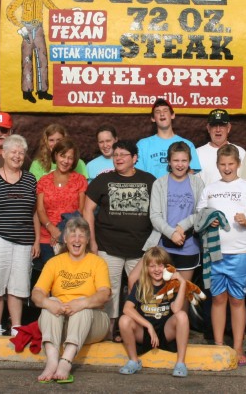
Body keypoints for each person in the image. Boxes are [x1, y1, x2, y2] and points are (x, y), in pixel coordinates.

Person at [197, 144, 246, 367]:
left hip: (240, 252)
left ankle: (237, 346)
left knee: (237, 300)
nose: (227, 168)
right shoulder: (209, 189)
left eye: (231, 164)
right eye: (223, 164)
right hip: (215, 252)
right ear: (217, 165)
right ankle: (218, 344)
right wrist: (209, 221)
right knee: (218, 299)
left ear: (238, 164)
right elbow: (199, 218)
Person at [83, 140, 156, 341]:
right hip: (108, 247)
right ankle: (107, 331)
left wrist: (152, 246)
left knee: (140, 290)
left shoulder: (149, 180)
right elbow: (87, 210)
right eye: (116, 155)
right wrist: (93, 242)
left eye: (124, 155)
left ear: (134, 159)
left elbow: (158, 213)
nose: (119, 158)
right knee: (109, 291)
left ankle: (134, 332)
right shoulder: (102, 180)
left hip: (140, 249)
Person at [31, 218, 111, 383]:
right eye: (72, 235)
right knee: (50, 302)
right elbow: (37, 293)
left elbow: (104, 294)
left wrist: (82, 303)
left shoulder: (97, 262)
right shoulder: (54, 262)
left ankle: (66, 361)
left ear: (87, 240)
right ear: (65, 239)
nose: (77, 240)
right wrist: (49, 303)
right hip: (62, 323)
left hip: (93, 322)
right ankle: (52, 361)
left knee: (83, 306)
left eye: (81, 236)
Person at [0, 135, 39, 337]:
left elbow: (35, 212)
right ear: (4, 154)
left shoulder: (30, 179)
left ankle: (16, 327)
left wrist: (37, 240)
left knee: (18, 286)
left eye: (21, 153)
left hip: (24, 240)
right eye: (13, 152)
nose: (17, 156)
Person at [118, 247, 190, 378]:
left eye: (160, 265)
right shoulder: (140, 284)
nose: (156, 270)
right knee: (124, 320)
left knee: (182, 316)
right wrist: (148, 326)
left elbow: (176, 310)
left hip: (165, 332)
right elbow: (127, 308)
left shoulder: (171, 285)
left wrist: (182, 283)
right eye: (152, 266)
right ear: (146, 268)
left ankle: (181, 363)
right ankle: (134, 361)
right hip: (144, 333)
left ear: (167, 267)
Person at [144, 141, 205, 283]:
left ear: (190, 161)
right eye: (176, 160)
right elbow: (155, 215)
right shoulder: (159, 183)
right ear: (169, 162)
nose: (180, 164)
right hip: (163, 246)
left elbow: (202, 213)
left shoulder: (197, 183)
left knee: (182, 292)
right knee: (162, 292)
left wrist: (183, 226)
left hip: (189, 246)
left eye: (184, 160)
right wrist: (172, 234)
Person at [6, 0, 56, 102]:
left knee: (42, 58)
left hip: (39, 28)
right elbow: (10, 10)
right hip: (27, 28)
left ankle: (42, 90)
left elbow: (53, 8)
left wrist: (71, 11)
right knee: (27, 59)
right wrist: (19, 26)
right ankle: (27, 91)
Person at [36, 138, 88, 264]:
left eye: (70, 158)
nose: (65, 161)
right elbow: (40, 209)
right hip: (47, 238)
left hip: (72, 237)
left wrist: (62, 232)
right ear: (55, 156)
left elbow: (81, 210)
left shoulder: (80, 180)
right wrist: (52, 229)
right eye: (62, 156)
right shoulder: (44, 180)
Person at [136, 98, 201, 178]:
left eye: (165, 111)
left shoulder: (187, 144)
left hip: (178, 190)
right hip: (151, 189)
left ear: (172, 115)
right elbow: (138, 173)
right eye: (157, 111)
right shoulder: (142, 145)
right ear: (153, 118)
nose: (162, 114)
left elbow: (191, 172)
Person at [196, 109, 246, 185]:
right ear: (208, 128)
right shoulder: (197, 153)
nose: (218, 130)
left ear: (228, 128)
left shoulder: (240, 152)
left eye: (222, 125)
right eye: (214, 126)